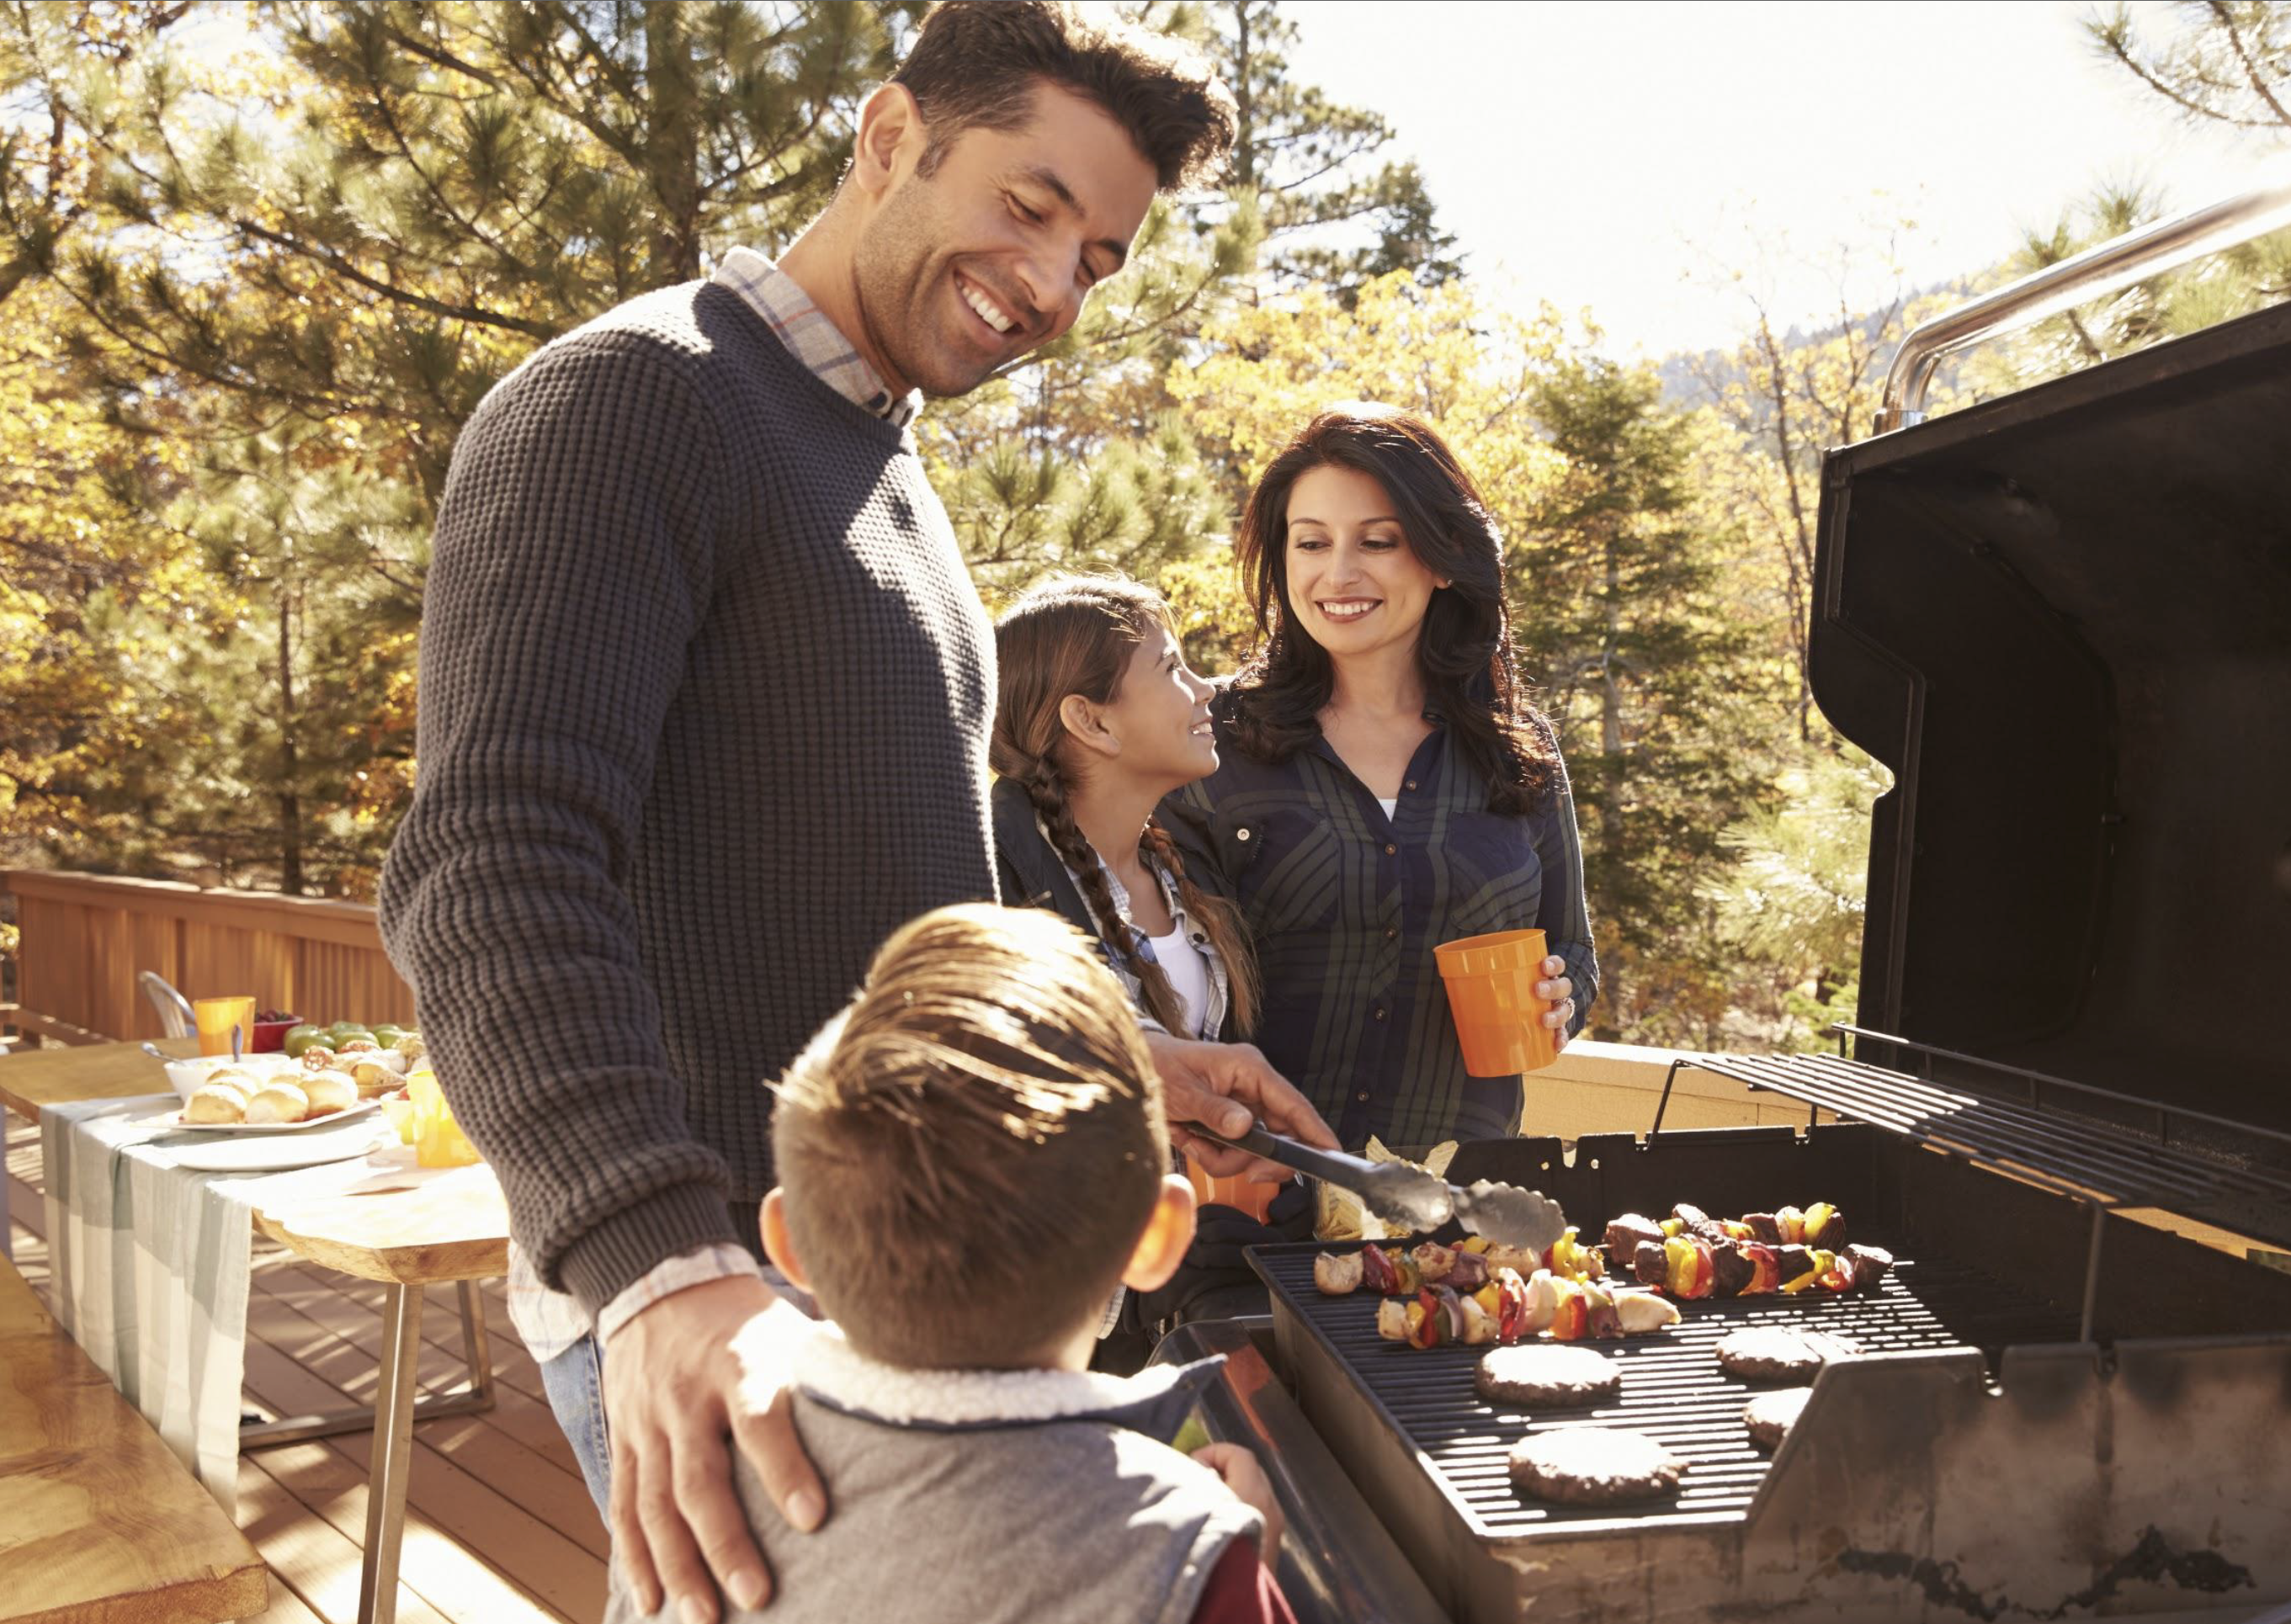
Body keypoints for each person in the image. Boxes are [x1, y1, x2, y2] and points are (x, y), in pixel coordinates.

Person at [378, 8, 1331, 1621]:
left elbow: (882, 913)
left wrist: (1100, 1064)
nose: (1050, 285)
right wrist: (661, 1263)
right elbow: (487, 868)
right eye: (1029, 208)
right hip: (729, 1297)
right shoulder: (635, 401)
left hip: (889, 1308)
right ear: (889, 136)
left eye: (1095, 257)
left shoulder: (888, 481)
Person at [603, 902, 1294, 1623]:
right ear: (1159, 1236)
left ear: (789, 1244)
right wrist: (1246, 1561)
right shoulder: (1181, 1551)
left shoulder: (688, 1497)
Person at [1165, 404, 1598, 1153]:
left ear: (1439, 557)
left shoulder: (1518, 750)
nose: (1338, 574)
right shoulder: (1212, 740)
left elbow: (1573, 952)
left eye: (1377, 542)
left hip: (1456, 1224)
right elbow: (1138, 969)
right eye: (1311, 543)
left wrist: (1562, 999)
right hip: (1252, 1206)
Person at [989, 575, 1313, 1360]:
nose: (1206, 690)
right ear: (1090, 719)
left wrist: (1276, 1187)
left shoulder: (1184, 868)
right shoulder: (994, 879)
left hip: (1181, 1317)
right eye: (1172, 669)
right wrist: (1131, 1284)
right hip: (1057, 1335)